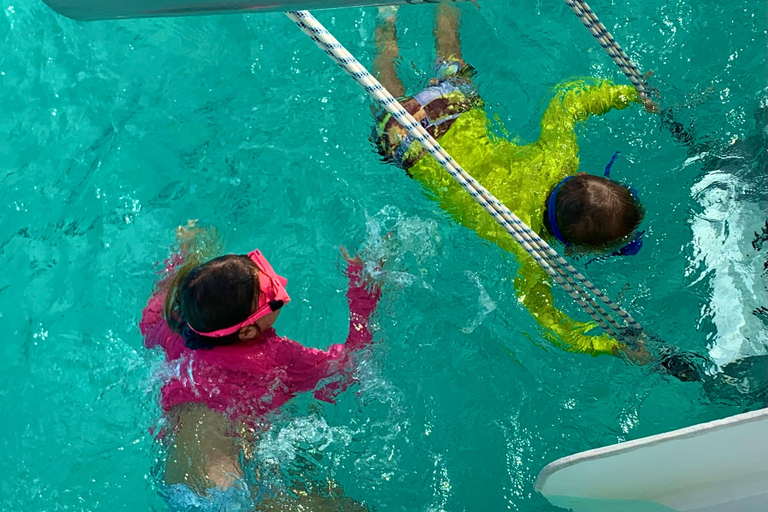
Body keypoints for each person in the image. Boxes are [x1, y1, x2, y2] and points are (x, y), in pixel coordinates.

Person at [372, 4, 648, 356]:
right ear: (574, 249)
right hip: (411, 145)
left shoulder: (559, 158)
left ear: (579, 176)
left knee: (448, 46)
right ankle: (387, 16)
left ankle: (435, 6)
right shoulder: (530, 252)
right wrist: (608, 345)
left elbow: (567, 101)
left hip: (455, 107)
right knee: (385, 71)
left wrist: (627, 95)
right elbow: (550, 321)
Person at [140, 223, 378, 510]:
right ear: (248, 332)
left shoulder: (176, 332)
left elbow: (154, 306)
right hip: (231, 499)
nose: (283, 281)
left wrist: (182, 254)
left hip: (177, 481)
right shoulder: (273, 357)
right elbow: (353, 360)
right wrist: (365, 285)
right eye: (272, 293)